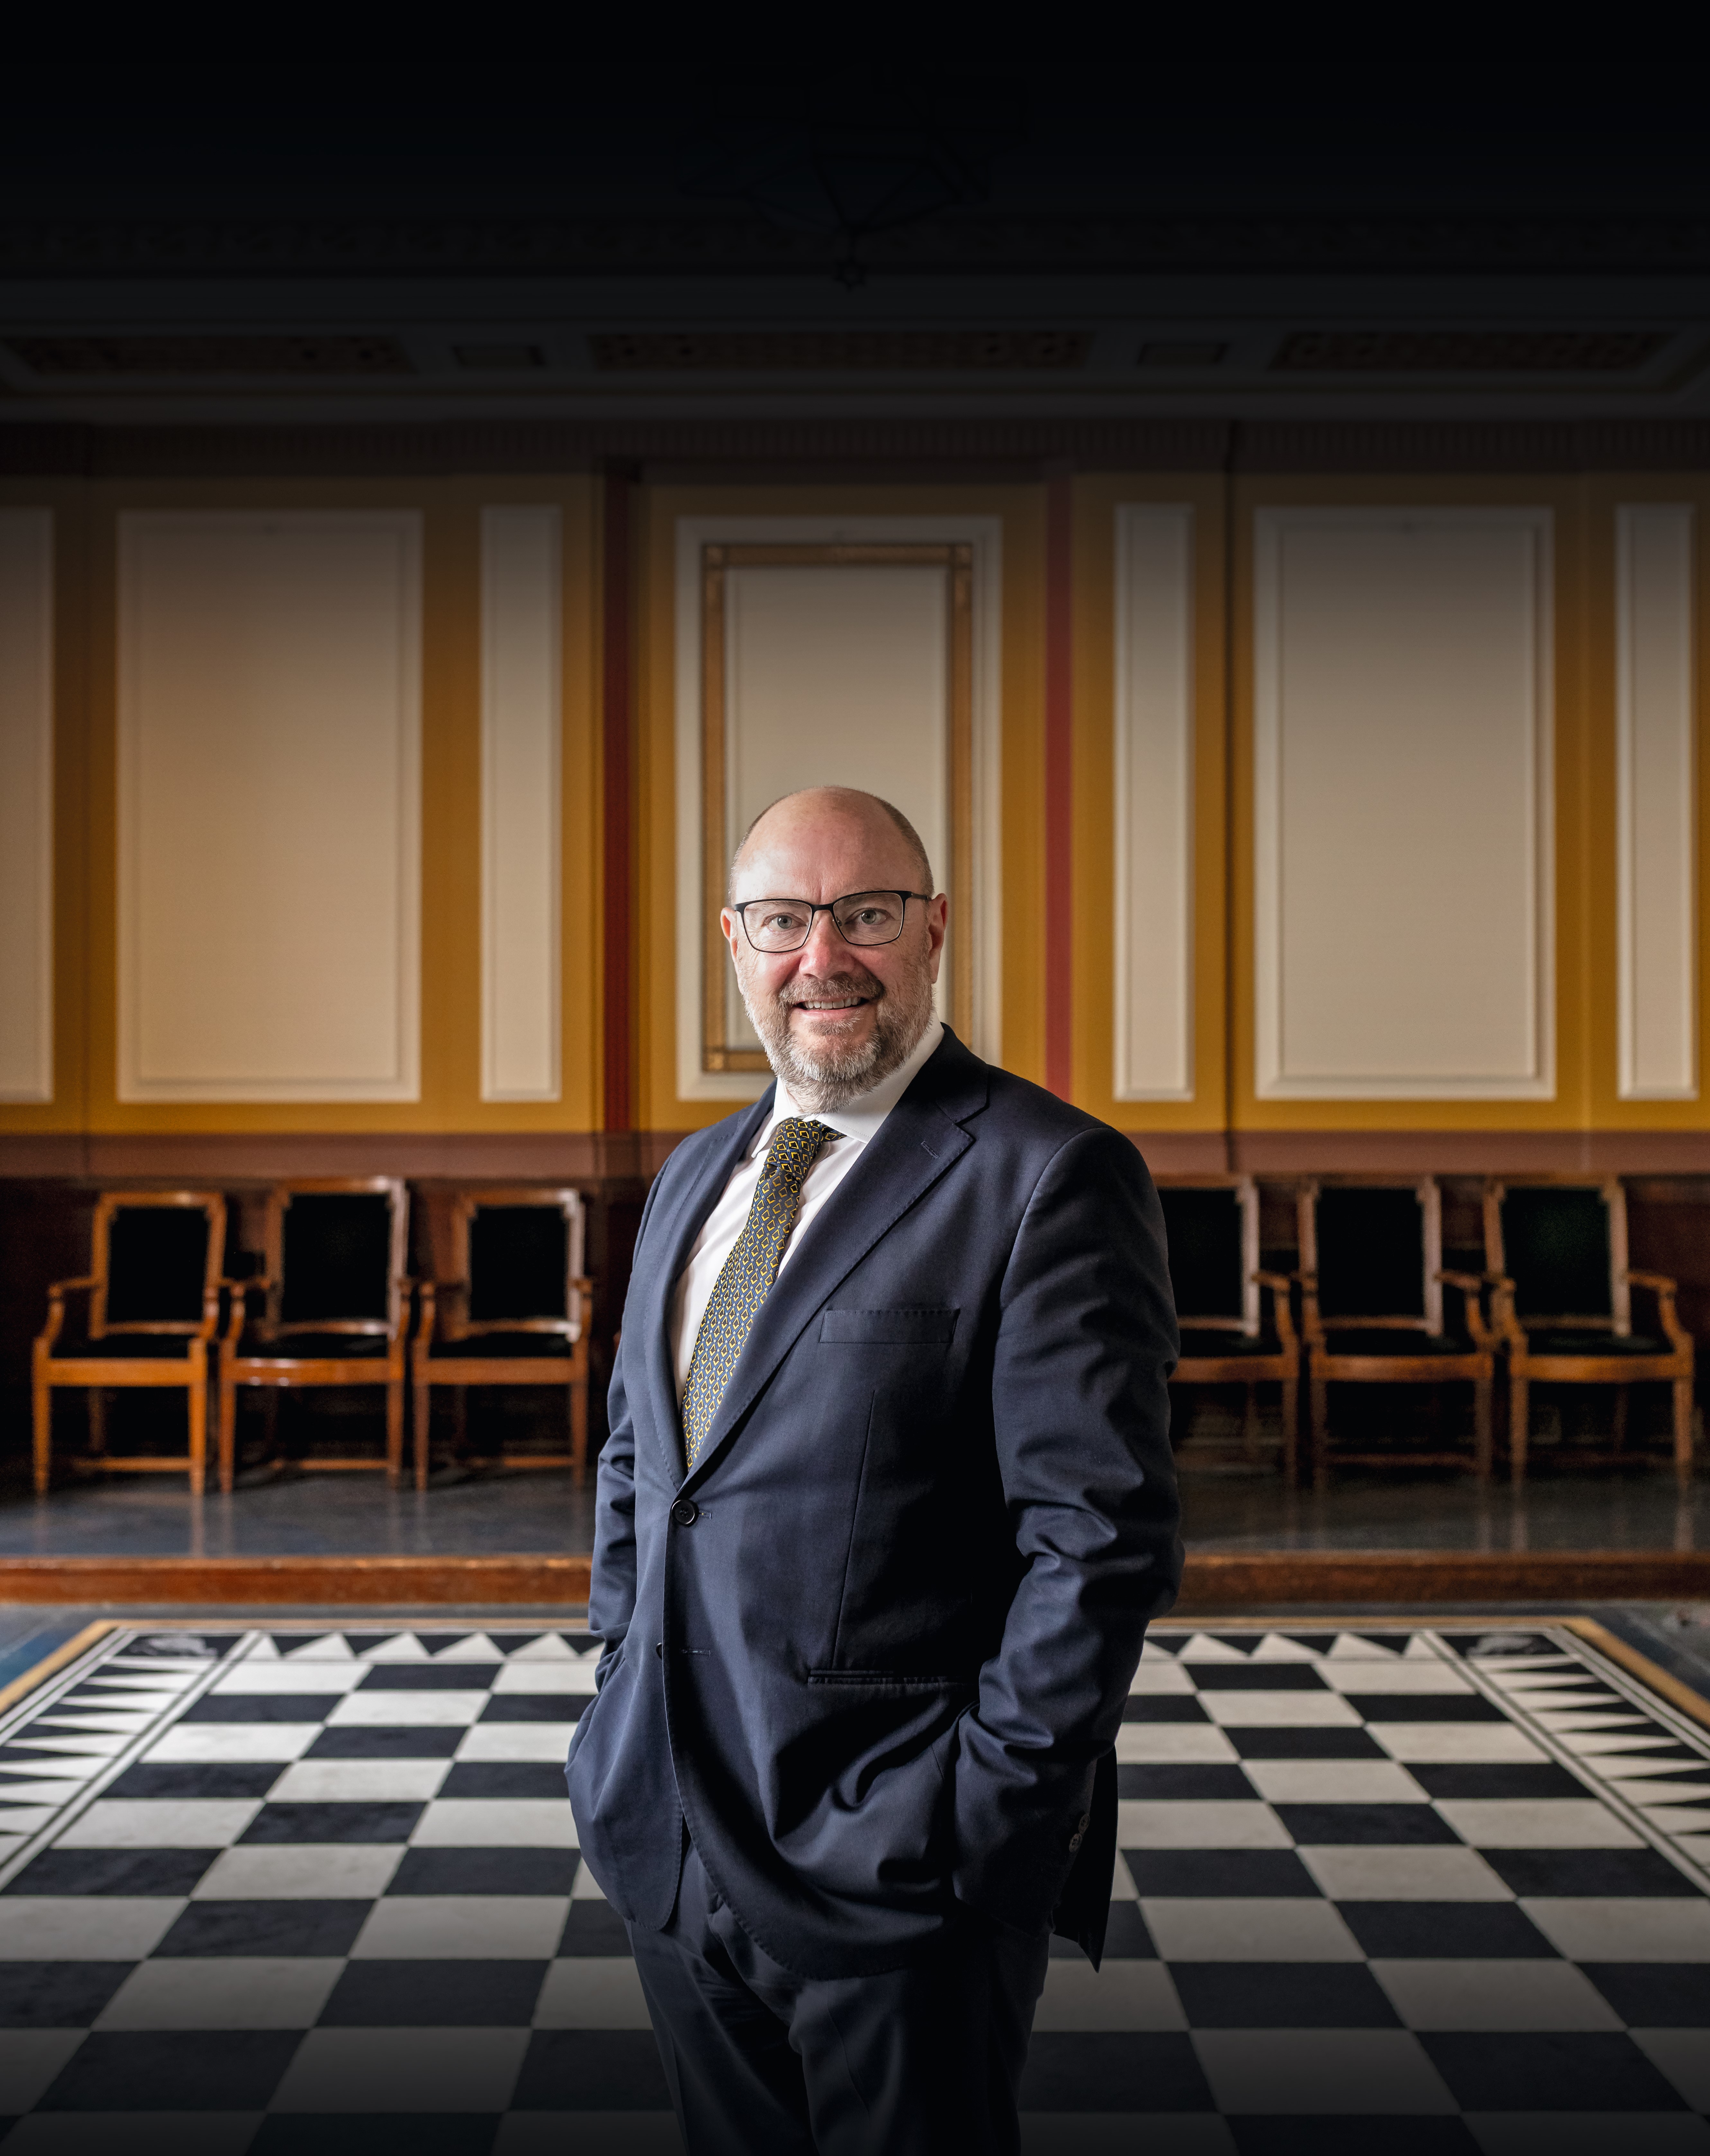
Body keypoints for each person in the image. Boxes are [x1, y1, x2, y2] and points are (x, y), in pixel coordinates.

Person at [566, 785, 1181, 2154]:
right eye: (785, 918)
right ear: (734, 939)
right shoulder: (692, 1177)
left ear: (935, 929)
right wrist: (617, 1687)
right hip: (669, 1836)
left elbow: (1101, 1543)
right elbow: (641, 1460)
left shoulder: (1048, 1174)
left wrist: (978, 1820)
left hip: (900, 1870)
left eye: (867, 914)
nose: (823, 955)